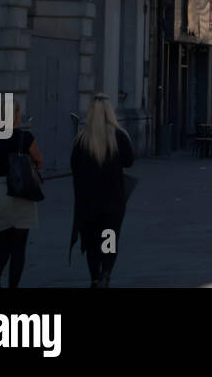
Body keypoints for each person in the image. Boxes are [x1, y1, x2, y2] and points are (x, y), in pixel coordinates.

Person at [69, 94, 135, 287]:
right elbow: (129, 161)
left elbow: (75, 168)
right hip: (113, 201)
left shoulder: (81, 139)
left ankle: (95, 277)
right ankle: (106, 272)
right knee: (109, 239)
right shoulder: (118, 136)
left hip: (89, 202)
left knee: (92, 242)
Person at [0, 99, 42, 288]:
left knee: (0, 244)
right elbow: (39, 161)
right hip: (22, 193)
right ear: (16, 115)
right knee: (19, 247)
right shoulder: (26, 138)